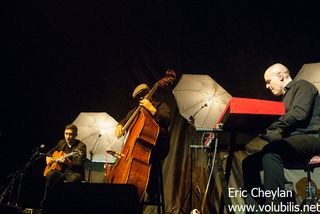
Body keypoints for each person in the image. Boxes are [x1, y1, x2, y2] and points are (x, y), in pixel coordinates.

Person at [242, 63, 320, 208]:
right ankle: (256, 209)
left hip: (313, 139)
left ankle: (275, 207)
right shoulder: (284, 100)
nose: (266, 86)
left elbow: (299, 113)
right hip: (293, 143)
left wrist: (270, 125)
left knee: (271, 153)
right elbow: (285, 134)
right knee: (249, 163)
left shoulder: (302, 85)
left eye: (268, 81)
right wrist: (264, 133)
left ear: (280, 76)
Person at [114, 83, 171, 200]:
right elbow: (125, 120)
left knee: (151, 162)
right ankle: (131, 192)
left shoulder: (161, 105)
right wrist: (120, 126)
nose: (141, 98)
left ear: (149, 92)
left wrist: (151, 108)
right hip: (141, 148)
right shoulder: (136, 111)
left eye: (143, 94)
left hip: (158, 145)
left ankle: (152, 190)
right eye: (139, 97)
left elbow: (166, 120)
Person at [41, 124, 87, 206]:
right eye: (66, 134)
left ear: (76, 135)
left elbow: (80, 163)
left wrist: (69, 162)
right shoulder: (61, 143)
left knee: (74, 179)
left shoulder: (81, 146)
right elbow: (50, 152)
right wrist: (48, 157)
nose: (68, 137)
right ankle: (47, 201)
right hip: (61, 170)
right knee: (50, 175)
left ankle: (69, 204)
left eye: (70, 134)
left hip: (74, 172)